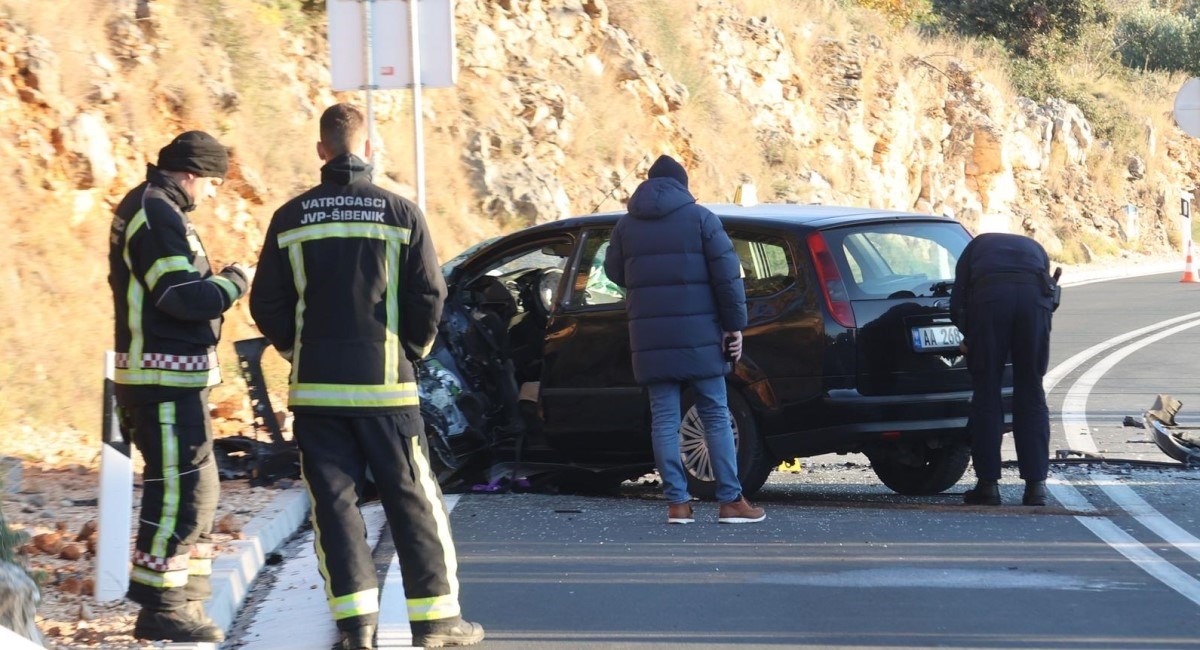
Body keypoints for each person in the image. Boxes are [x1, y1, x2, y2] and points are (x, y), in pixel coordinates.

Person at [249, 103, 484, 650]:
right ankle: (438, 624)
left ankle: (356, 630)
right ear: (369, 150)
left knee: (335, 508)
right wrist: (412, 350)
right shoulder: (401, 213)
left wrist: (295, 349)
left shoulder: (289, 218)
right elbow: (430, 294)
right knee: (413, 500)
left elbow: (267, 302)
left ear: (321, 151)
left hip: (316, 392)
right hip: (386, 389)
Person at [107, 131, 250, 643]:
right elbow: (181, 296)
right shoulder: (155, 214)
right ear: (192, 174)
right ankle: (162, 607)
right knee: (178, 492)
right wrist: (236, 281)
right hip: (159, 380)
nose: (212, 195)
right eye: (213, 183)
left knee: (198, 487)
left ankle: (185, 598)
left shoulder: (160, 209)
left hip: (174, 378)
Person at [604, 154, 765, 525]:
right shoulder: (701, 219)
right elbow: (728, 278)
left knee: (664, 419)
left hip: (649, 335)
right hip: (700, 335)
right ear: (683, 185)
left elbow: (614, 271)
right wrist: (734, 326)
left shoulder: (626, 226)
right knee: (715, 415)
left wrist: (646, 287)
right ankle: (730, 501)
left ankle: (677, 503)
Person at [950, 231, 1057, 507]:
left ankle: (988, 486)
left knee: (987, 391)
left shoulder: (974, 250)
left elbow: (957, 302)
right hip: (1035, 304)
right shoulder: (1036, 247)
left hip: (990, 300)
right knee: (1031, 389)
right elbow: (1051, 296)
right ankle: (1036, 487)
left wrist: (970, 337)